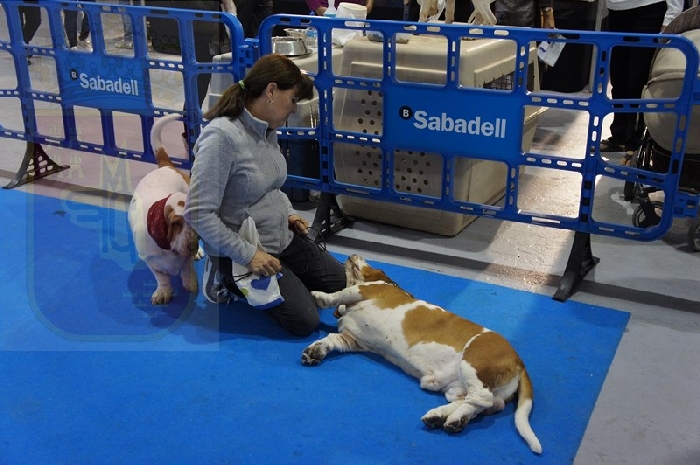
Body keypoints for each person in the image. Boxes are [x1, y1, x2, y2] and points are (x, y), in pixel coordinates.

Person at [184, 54, 347, 337]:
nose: (294, 109)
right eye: (293, 100)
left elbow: (272, 186)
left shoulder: (268, 129)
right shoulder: (221, 137)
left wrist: (290, 213)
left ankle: (282, 275)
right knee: (305, 321)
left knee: (340, 283)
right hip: (242, 247)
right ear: (271, 91)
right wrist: (249, 255)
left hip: (280, 235)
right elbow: (197, 213)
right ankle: (223, 275)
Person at [599, 0, 683, 164]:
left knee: (637, 81)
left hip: (648, 10)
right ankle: (620, 135)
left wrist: (670, 20)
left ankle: (635, 142)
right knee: (619, 78)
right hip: (616, 11)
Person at [306, 0, 373, 17]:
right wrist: (317, 7)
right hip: (327, 11)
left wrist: (369, 5)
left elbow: (369, 7)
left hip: (354, 11)